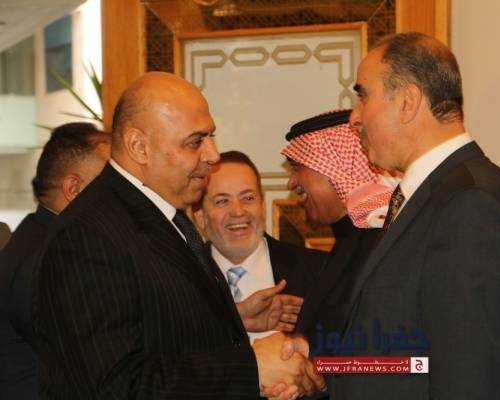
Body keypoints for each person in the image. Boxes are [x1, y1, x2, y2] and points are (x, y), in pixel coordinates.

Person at [32, 72, 324, 400]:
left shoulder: (163, 215)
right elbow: (117, 386)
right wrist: (252, 368)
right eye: (195, 142)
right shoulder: (87, 236)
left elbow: (162, 329)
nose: (213, 154)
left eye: (211, 137)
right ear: (139, 146)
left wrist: (234, 320)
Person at [322, 32, 500, 399]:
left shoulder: (470, 205)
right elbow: (412, 361)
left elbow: (469, 379)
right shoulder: (440, 195)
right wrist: (322, 369)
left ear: (407, 102)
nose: (354, 117)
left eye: (363, 96)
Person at [0, 122, 111, 400]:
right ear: (73, 187)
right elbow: (96, 357)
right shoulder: (49, 257)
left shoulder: (40, 236)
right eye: (111, 184)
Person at [280, 109, 396, 350]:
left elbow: (390, 357)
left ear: (337, 165)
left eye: (297, 166)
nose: (291, 182)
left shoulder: (381, 244)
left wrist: (313, 366)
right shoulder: (350, 239)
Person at [194, 150, 328, 342]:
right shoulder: (182, 278)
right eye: (222, 201)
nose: (238, 211)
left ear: (262, 205)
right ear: (200, 217)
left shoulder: (319, 271)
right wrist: (235, 318)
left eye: (248, 198)